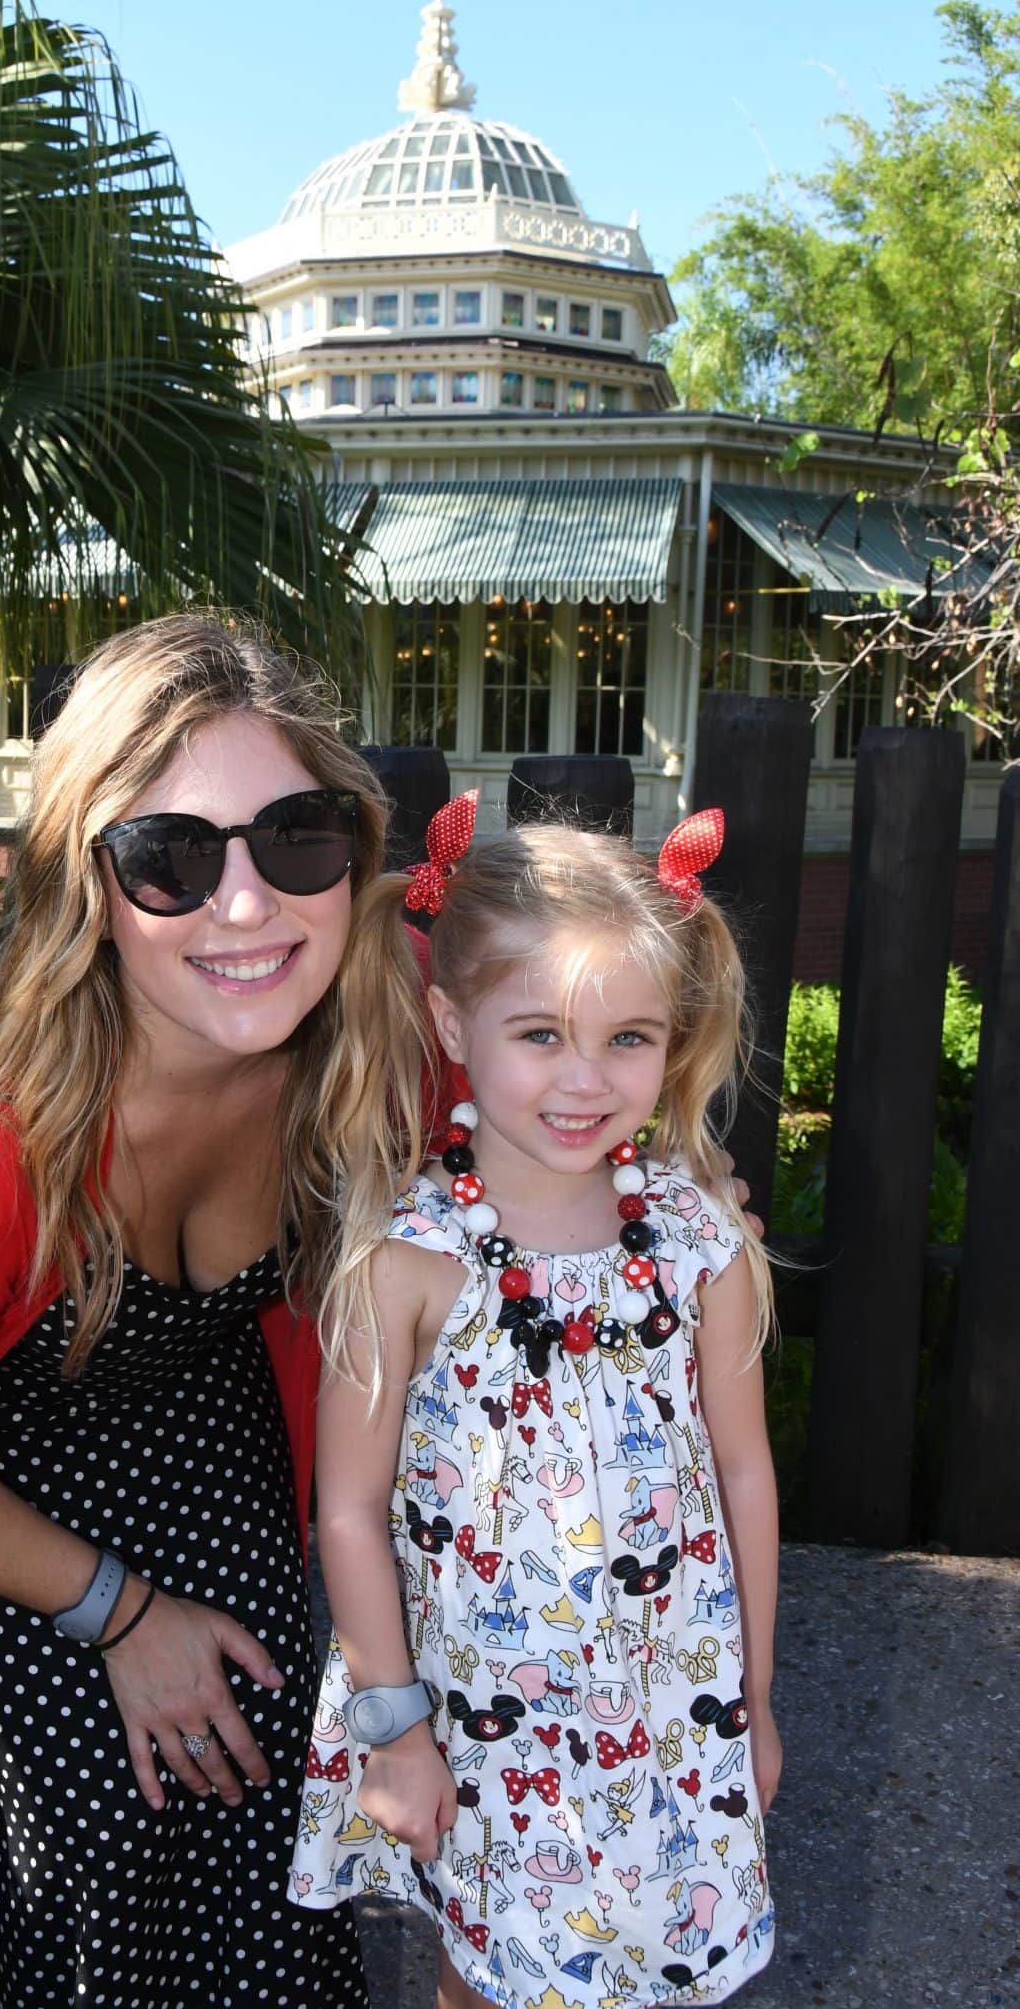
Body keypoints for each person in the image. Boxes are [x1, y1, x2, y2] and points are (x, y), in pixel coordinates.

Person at [0, 615, 442, 2009]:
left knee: (267, 1807)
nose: (245, 907)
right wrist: (122, 1617)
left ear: (355, 861)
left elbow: (558, 1109)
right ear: (86, 887)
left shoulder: (373, 1036)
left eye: (295, 839)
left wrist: (674, 1178)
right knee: (81, 1853)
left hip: (202, 1420)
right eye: (171, 859)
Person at [291, 801, 781, 2009]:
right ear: (452, 1022)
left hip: (668, 1717)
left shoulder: (697, 1240)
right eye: (539, 1033)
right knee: (491, 1977)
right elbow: (347, 1511)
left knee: (658, 1962)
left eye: (628, 1038)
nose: (584, 1078)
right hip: (479, 1729)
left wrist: (755, 1704)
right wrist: (395, 1728)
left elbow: (746, 1478)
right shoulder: (406, 1255)